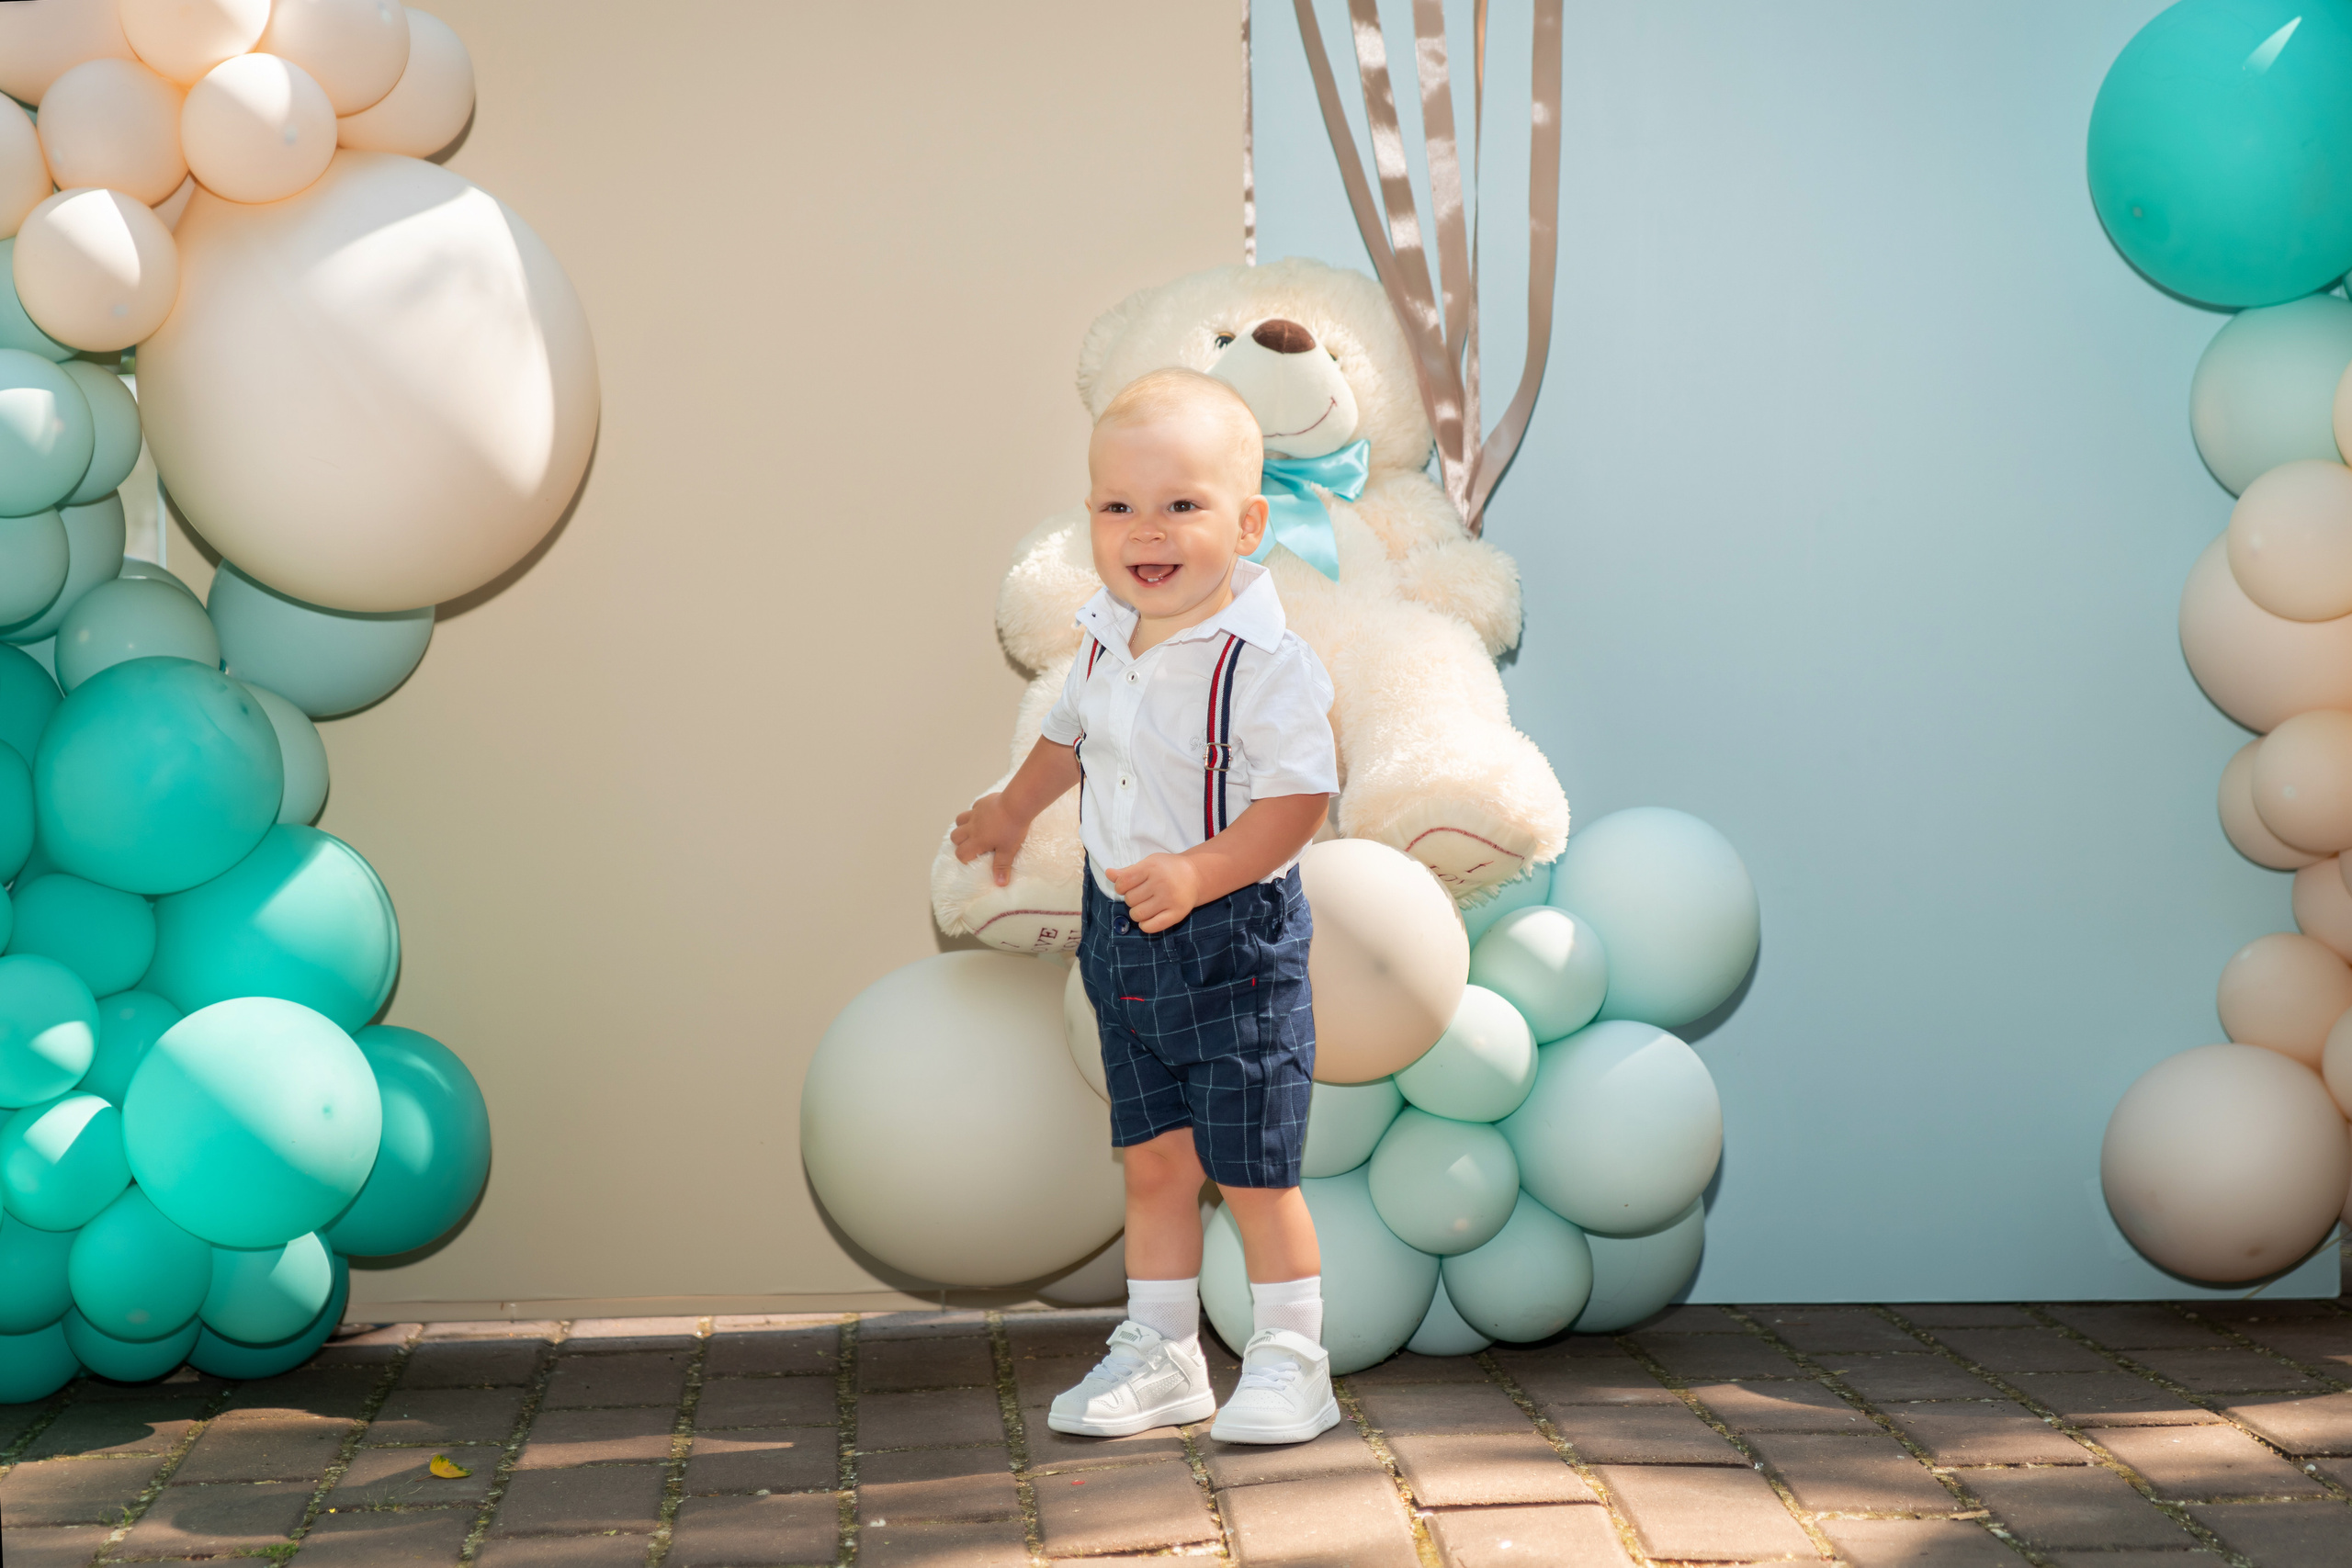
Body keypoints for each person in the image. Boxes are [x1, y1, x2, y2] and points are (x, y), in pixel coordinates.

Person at [952, 367, 1340, 1444]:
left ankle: (1291, 1358)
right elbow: (1067, 739)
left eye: (1182, 504)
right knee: (1156, 1158)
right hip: (1121, 936)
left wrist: (1203, 872)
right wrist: (1008, 811)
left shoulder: (1264, 663)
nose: (1146, 530)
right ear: (1091, 519)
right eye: (1119, 506)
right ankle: (1164, 1353)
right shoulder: (1101, 640)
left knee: (1253, 1169)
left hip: (1233, 943)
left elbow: (1300, 799)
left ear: (1247, 520)